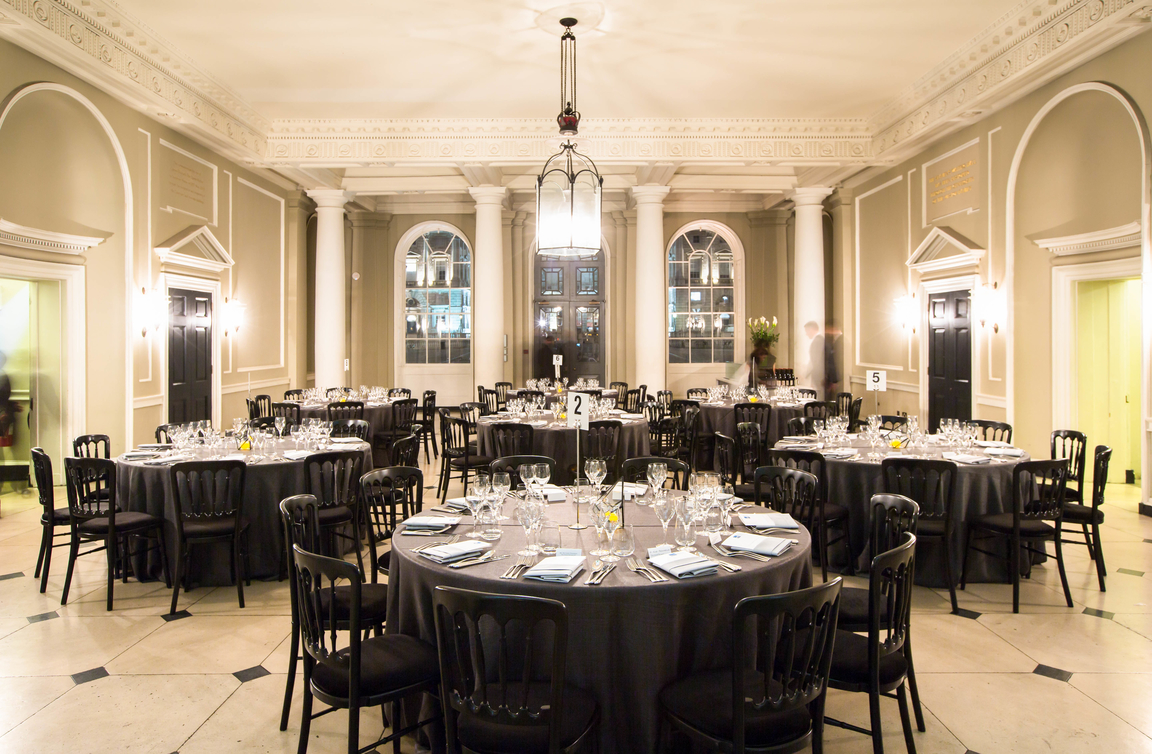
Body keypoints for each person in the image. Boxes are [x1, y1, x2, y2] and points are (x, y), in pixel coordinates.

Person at [804, 321, 825, 398]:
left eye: (807, 331)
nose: (806, 333)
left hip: (819, 377)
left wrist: (810, 376)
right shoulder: (820, 340)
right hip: (819, 376)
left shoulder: (818, 341)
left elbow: (816, 362)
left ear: (811, 329)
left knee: (819, 398)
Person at [824, 319, 842, 398]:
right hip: (832, 379)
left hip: (837, 380)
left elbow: (837, 362)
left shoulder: (841, 341)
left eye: (827, 329)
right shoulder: (835, 341)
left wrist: (834, 380)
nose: (826, 332)